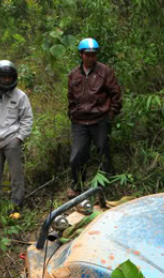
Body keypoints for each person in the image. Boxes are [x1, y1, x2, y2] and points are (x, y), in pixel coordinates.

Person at [67, 38, 122, 198]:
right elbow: (70, 97)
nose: (91, 58)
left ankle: (103, 186)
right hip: (79, 121)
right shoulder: (73, 75)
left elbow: (115, 94)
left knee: (103, 152)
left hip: (100, 119)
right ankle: (77, 185)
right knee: (77, 155)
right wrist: (72, 112)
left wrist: (111, 113)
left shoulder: (105, 71)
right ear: (81, 54)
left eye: (94, 55)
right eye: (88, 55)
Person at [0, 60, 33, 215]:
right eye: (3, 77)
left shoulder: (20, 96)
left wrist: (19, 138)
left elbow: (27, 119)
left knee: (16, 178)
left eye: (9, 77)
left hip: (12, 141)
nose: (7, 80)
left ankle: (16, 208)